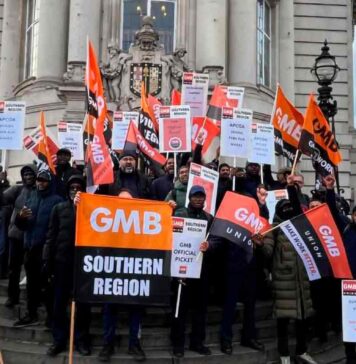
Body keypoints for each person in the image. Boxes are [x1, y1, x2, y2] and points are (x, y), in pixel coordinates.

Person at [261, 175, 317, 364]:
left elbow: (296, 203)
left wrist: (292, 188)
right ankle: (284, 355)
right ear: (278, 212)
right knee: (283, 323)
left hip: (301, 282)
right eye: (283, 208)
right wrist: (259, 244)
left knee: (302, 321)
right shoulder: (273, 229)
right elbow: (267, 253)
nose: (287, 210)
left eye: (289, 208)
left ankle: (302, 351)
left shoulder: (300, 227)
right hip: (283, 283)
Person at [43, 175, 91, 357]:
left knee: (83, 305)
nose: (75, 190)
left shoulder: (91, 210)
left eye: (78, 187)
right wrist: (47, 260)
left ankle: (81, 340)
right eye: (72, 187)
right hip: (61, 262)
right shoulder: (58, 208)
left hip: (84, 264)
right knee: (58, 303)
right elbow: (51, 236)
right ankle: (59, 340)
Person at [97, 188, 146, 363]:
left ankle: (135, 344)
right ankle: (107, 344)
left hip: (134, 274)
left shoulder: (142, 222)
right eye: (121, 200)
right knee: (109, 310)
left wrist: (168, 208)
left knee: (136, 311)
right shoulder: (108, 222)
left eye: (128, 200)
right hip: (113, 274)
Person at [13, 170, 62, 327]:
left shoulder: (56, 200)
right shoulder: (31, 196)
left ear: (49, 182)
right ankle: (31, 313)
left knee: (47, 285)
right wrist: (20, 218)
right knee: (31, 284)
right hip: (30, 247)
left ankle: (50, 317)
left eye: (44, 180)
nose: (41, 183)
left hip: (46, 249)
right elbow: (21, 224)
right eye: (39, 180)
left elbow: (57, 227)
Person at [170, 186, 212, 358]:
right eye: (195, 196)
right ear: (189, 198)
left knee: (200, 310)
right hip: (181, 271)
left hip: (201, 270)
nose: (198, 199)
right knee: (180, 309)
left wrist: (210, 246)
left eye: (201, 196)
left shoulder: (209, 218)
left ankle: (197, 342)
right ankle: (177, 344)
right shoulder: (179, 214)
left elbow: (215, 239)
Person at [0, 165, 37, 308]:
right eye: (26, 175)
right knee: (13, 268)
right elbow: (2, 200)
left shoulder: (39, 191)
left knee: (31, 270)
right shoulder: (17, 189)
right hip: (16, 236)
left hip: (31, 237)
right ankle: (12, 297)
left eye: (31, 174)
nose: (28, 177)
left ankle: (31, 300)